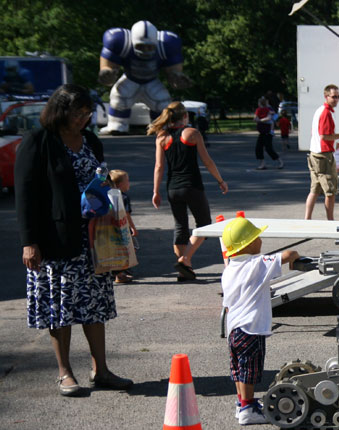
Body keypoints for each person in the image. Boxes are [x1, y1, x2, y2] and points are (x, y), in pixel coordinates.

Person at [14, 83, 133, 396]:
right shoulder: (39, 140)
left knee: (95, 305)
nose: (83, 119)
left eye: (87, 113)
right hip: (56, 240)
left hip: (94, 239)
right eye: (77, 113)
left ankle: (101, 370)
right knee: (60, 307)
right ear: (60, 110)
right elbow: (25, 195)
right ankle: (65, 372)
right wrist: (30, 242)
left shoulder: (91, 140)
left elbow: (101, 179)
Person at [220, 217, 300, 425]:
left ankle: (242, 403)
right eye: (256, 237)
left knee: (238, 369)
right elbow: (287, 255)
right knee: (249, 370)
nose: (261, 240)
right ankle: (247, 409)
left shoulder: (229, 269)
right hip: (251, 329)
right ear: (247, 245)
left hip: (234, 328)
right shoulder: (256, 264)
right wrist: (295, 256)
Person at [149, 101, 228, 281]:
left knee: (180, 228)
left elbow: (159, 166)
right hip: (192, 186)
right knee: (205, 225)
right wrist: (220, 180)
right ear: (185, 116)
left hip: (172, 188)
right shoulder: (192, 134)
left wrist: (156, 191)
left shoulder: (161, 137)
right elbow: (207, 161)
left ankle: (185, 269)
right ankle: (185, 259)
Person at [98, 20, 191, 135]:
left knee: (162, 101)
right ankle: (117, 126)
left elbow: (173, 72)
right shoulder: (119, 41)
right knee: (119, 97)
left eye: (149, 47)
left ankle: (160, 126)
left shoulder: (166, 44)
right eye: (141, 46)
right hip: (130, 79)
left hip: (151, 81)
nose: (145, 50)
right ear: (132, 42)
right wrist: (107, 73)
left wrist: (176, 77)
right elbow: (107, 67)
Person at [305, 84, 339, 220]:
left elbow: (320, 135)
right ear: (326, 96)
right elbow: (324, 136)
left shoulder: (321, 110)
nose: (336, 99)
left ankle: (307, 219)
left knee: (315, 189)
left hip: (315, 153)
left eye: (338, 96)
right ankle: (330, 221)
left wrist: (335, 142)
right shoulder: (326, 113)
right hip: (323, 156)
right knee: (330, 190)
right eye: (334, 97)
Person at [109, 169, 138, 284]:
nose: (129, 183)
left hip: (111, 228)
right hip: (122, 228)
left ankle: (117, 273)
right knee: (126, 250)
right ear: (119, 184)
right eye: (127, 181)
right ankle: (120, 274)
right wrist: (133, 227)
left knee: (114, 250)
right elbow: (126, 214)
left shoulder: (109, 195)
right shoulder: (123, 196)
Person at [254, 97, 283, 170]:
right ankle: (262, 163)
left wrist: (260, 120)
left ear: (260, 103)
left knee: (268, 148)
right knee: (258, 148)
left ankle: (280, 162)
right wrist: (260, 120)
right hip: (262, 132)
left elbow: (269, 118)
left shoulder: (268, 109)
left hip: (268, 133)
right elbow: (255, 118)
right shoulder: (258, 110)